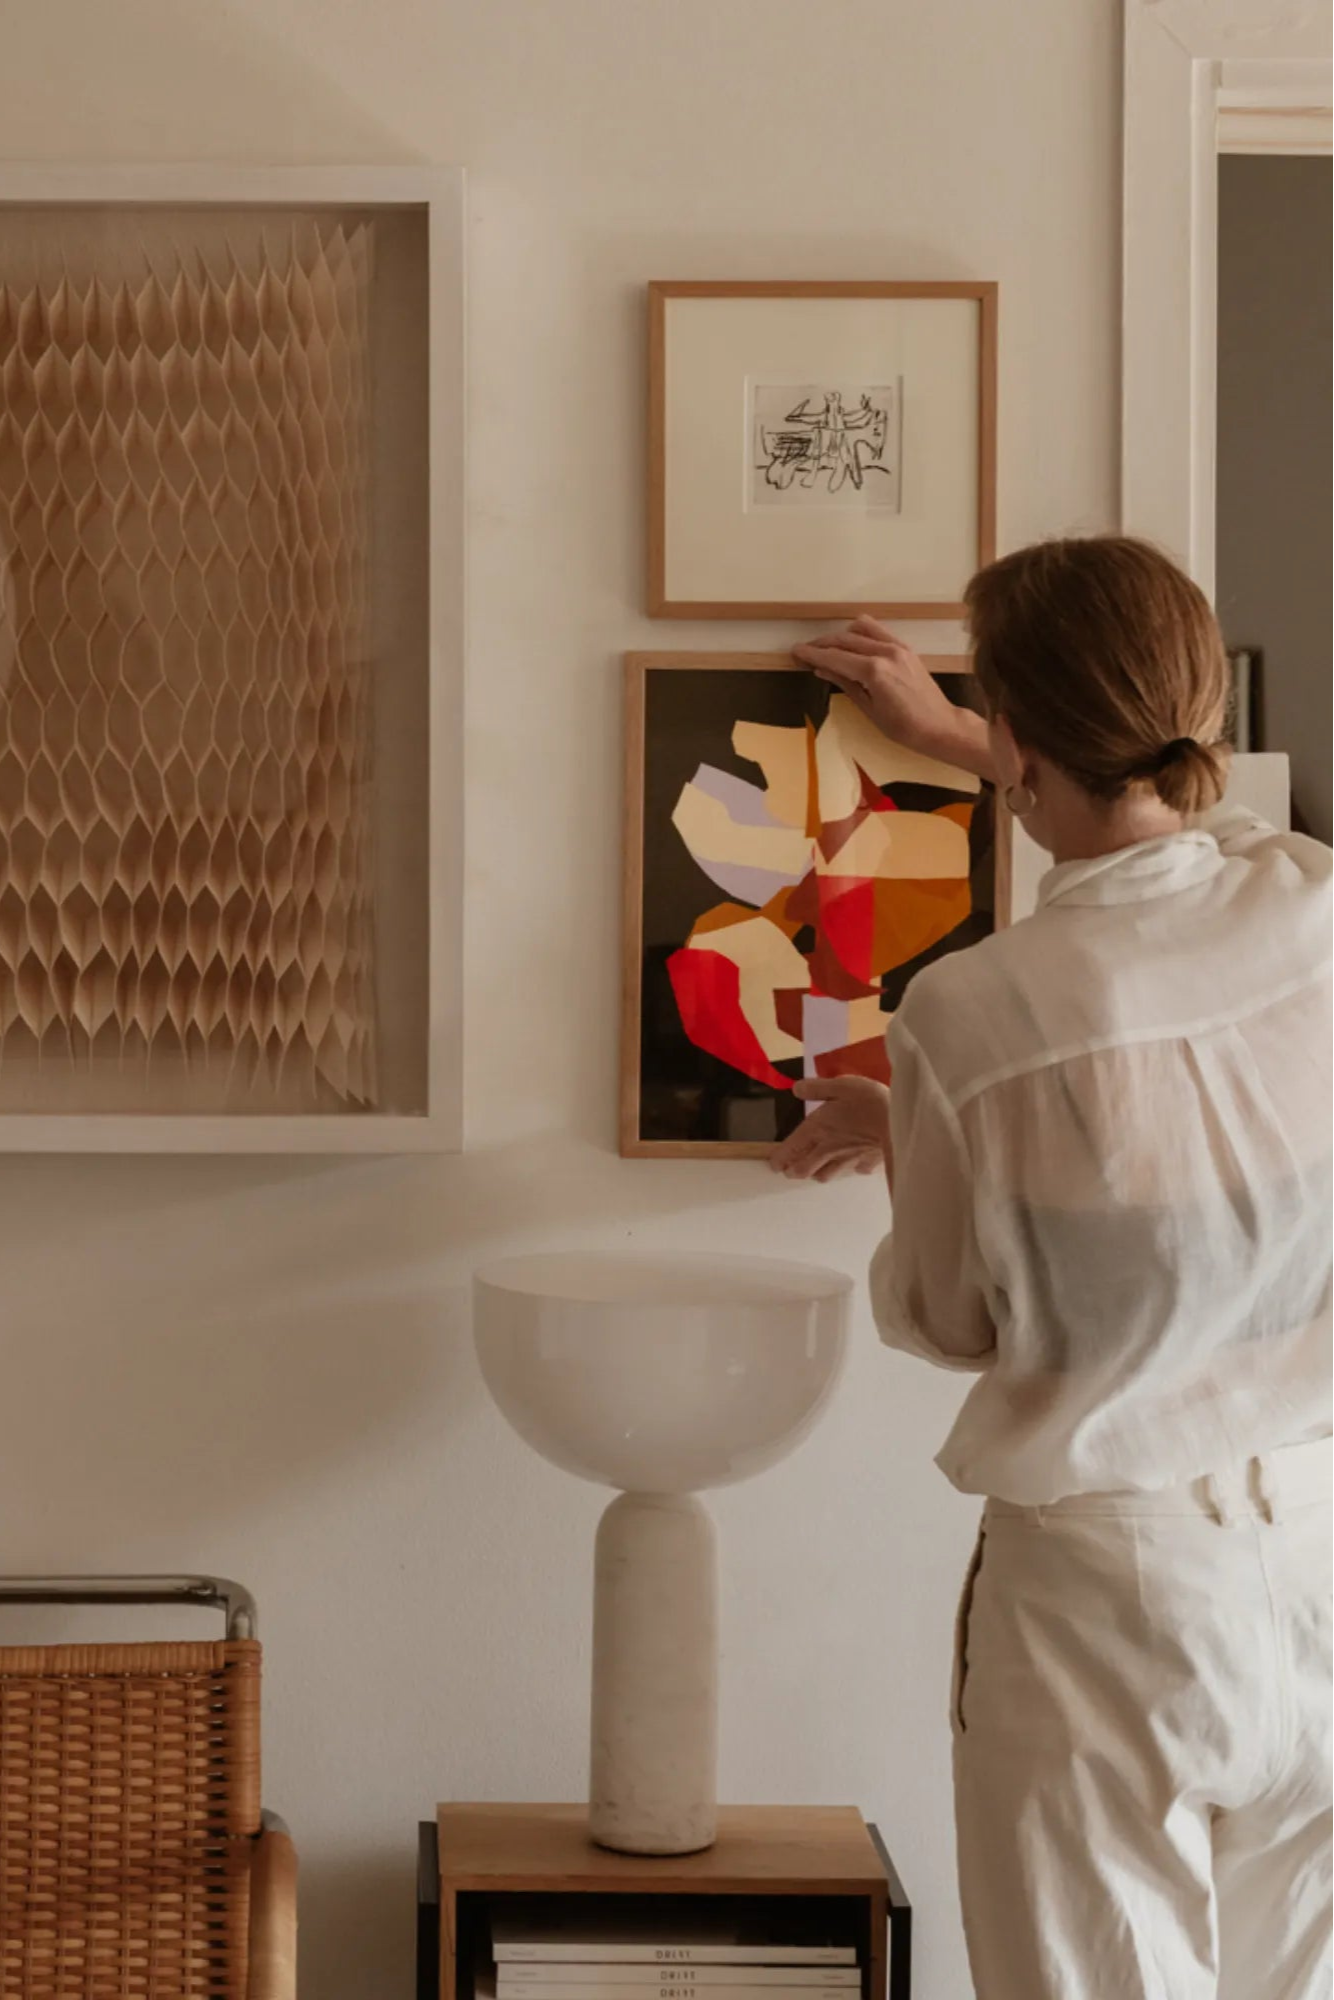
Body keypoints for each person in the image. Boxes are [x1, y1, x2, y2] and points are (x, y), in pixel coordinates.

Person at [772, 536, 1333, 2000]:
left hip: (1112, 1592)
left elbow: (953, 1315)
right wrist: (992, 743)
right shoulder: (1309, 899)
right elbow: (1191, 854)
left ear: (1016, 731)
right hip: (1316, 1556)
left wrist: (922, 1139)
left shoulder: (969, 1010)